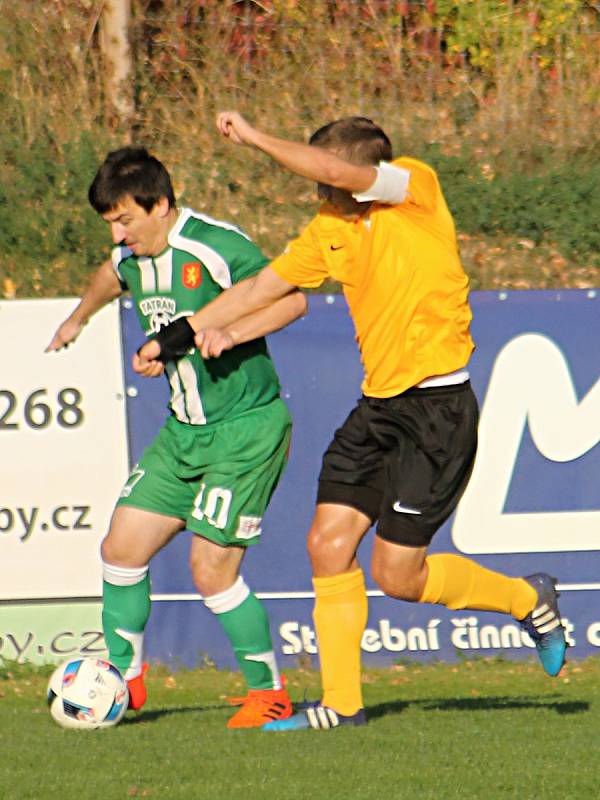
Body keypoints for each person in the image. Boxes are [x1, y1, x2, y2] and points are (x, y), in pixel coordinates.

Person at [139, 113, 568, 731]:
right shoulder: (328, 230)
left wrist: (259, 138)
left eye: (324, 177)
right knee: (328, 544)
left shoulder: (413, 188)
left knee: (398, 575)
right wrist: (176, 336)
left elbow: (338, 170)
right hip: (379, 409)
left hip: (438, 410)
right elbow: (263, 286)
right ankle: (342, 706)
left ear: (355, 171)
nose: (319, 189)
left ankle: (530, 599)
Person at [46, 145, 307, 728]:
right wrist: (78, 317)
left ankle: (269, 693)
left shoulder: (214, 246)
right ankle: (126, 681)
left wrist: (233, 332)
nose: (117, 235)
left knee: (211, 572)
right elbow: (108, 278)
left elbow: (293, 301)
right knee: (121, 550)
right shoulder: (130, 257)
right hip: (182, 433)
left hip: (245, 431)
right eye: (109, 223)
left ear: (160, 204)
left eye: (125, 220)